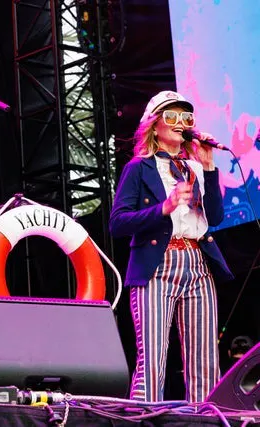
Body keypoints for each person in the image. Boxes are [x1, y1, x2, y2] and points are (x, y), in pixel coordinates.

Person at [109, 90, 234, 403]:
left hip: (198, 262)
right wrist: (162, 209)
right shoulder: (139, 168)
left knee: (205, 357)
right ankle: (144, 417)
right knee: (152, 357)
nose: (181, 122)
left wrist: (209, 167)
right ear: (154, 126)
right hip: (158, 264)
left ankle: (205, 418)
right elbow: (118, 223)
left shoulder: (196, 168)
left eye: (186, 117)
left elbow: (215, 217)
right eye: (171, 116)